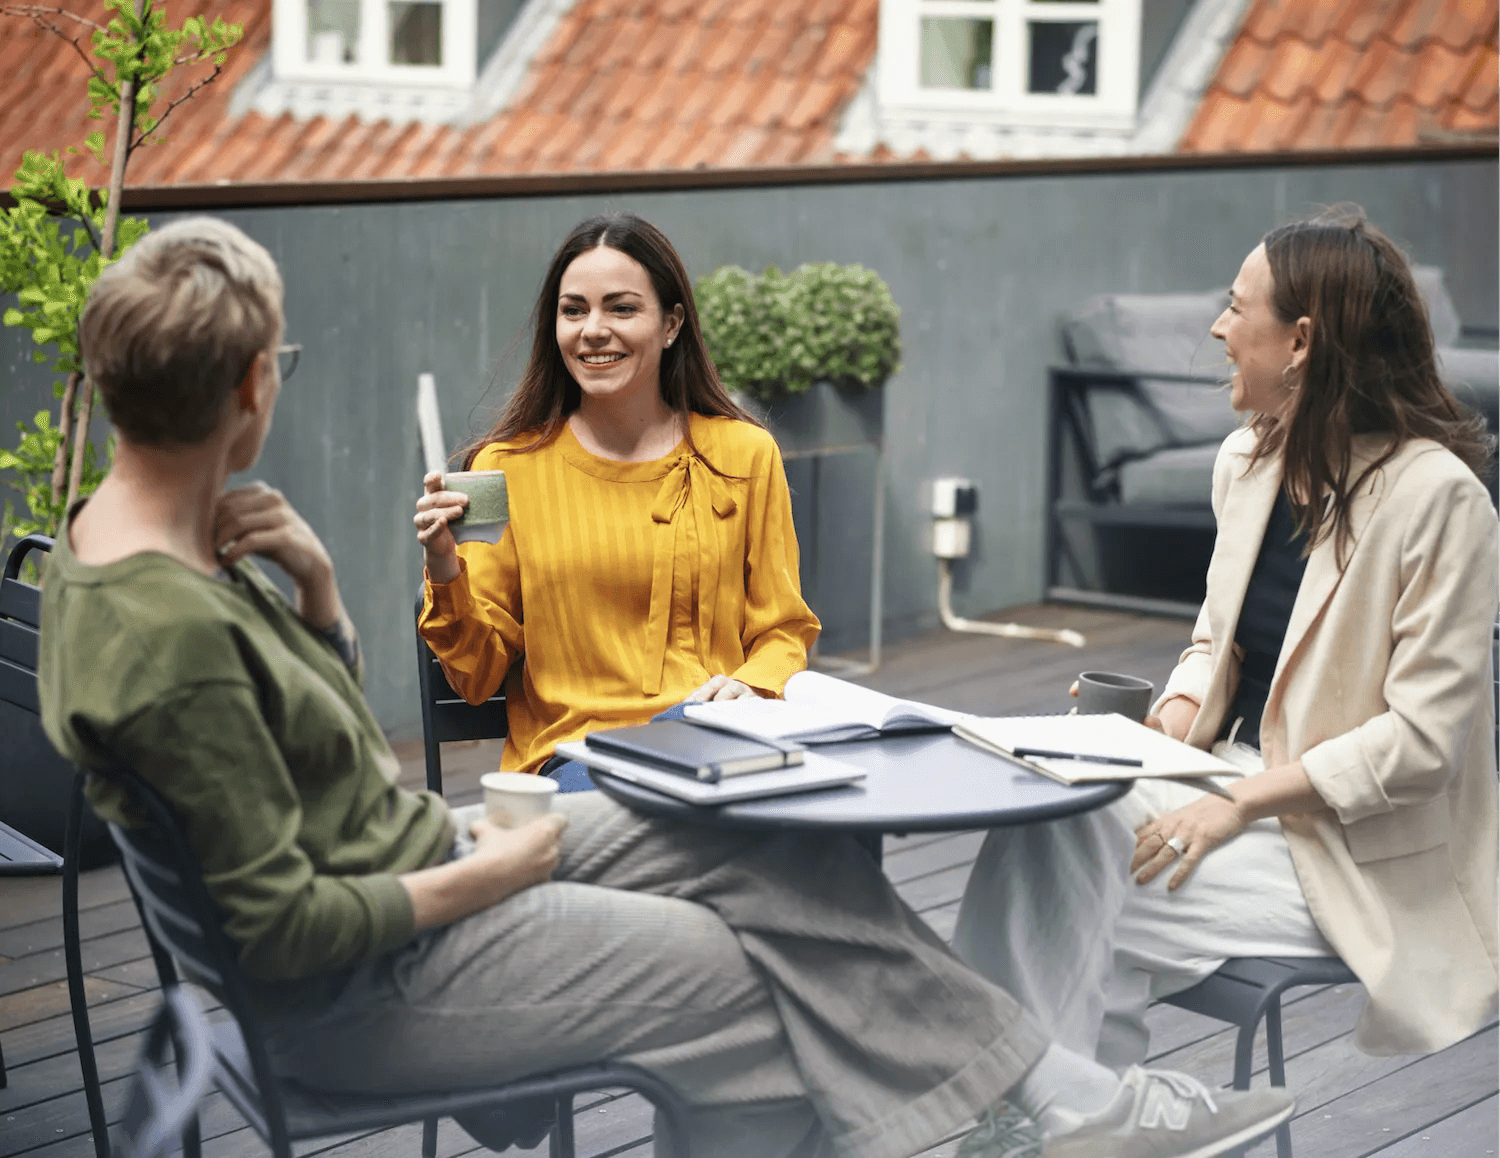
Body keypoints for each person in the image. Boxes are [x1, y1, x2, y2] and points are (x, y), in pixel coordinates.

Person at [40, 215, 1295, 1158]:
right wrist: (493, 869)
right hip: (396, 944)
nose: (594, 330)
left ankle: (1054, 1109)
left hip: (440, 850)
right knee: (763, 972)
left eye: (621, 307)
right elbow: (279, 930)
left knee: (772, 860)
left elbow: (306, 762)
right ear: (252, 387)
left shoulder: (114, 556)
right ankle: (1050, 1111)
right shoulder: (175, 625)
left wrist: (318, 600)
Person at [954, 205, 1499, 1071]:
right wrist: (1160, 724)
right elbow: (1216, 646)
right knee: (1053, 812)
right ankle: (1078, 1113)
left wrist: (1242, 801)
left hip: (1352, 852)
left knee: (1071, 893)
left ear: (1301, 342)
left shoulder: (1440, 501)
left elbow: (1422, 744)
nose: (1218, 327)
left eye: (1237, 307)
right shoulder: (1248, 463)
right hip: (1220, 780)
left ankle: (1041, 1107)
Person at [414, 212, 818, 792]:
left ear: (671, 324)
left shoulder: (745, 454)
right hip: (579, 762)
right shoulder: (505, 467)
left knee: (834, 829)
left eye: (622, 309)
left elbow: (783, 628)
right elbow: (476, 677)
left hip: (719, 748)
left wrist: (754, 684)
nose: (593, 330)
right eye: (573, 310)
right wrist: (443, 566)